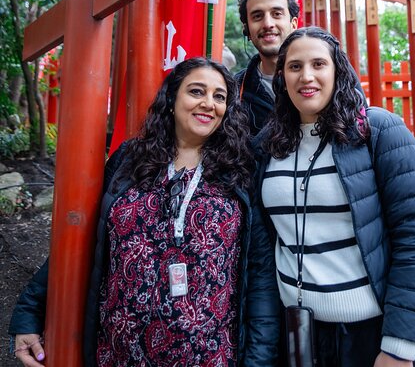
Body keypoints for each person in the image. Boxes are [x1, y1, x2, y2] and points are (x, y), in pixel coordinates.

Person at [9, 57, 278, 367]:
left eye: (219, 96)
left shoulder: (241, 170)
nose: (208, 103)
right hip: (118, 352)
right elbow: (82, 240)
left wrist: (258, 361)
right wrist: (30, 313)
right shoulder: (130, 157)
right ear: (172, 98)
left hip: (209, 355)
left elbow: (260, 276)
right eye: (196, 91)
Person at [254, 27, 415, 367]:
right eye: (295, 66)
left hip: (371, 334)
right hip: (300, 332)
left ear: (337, 71)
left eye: (319, 64)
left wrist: (398, 345)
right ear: (282, 76)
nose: (307, 76)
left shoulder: (378, 130)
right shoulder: (268, 144)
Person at [236, 0, 299, 136]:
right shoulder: (235, 89)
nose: (268, 24)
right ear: (247, 30)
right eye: (257, 16)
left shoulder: (327, 75)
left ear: (293, 24)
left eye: (277, 14)